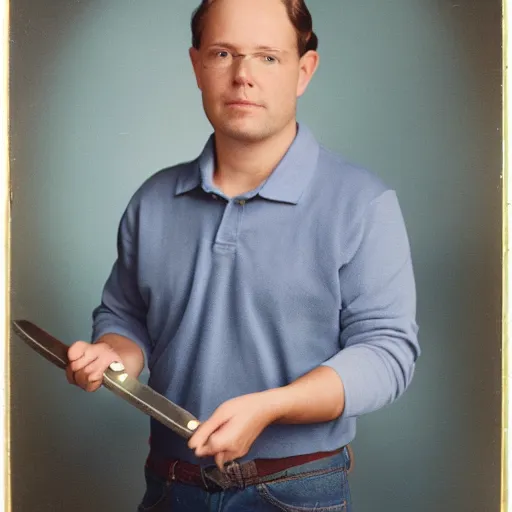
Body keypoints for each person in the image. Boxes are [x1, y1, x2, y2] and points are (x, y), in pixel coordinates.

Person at [65, 0, 420, 510]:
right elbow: (127, 316)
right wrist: (115, 355)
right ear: (196, 66)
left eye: (267, 57)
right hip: (169, 486)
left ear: (304, 71)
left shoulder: (362, 203)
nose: (243, 76)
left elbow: (387, 352)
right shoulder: (152, 201)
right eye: (223, 53)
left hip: (298, 489)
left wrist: (272, 407)